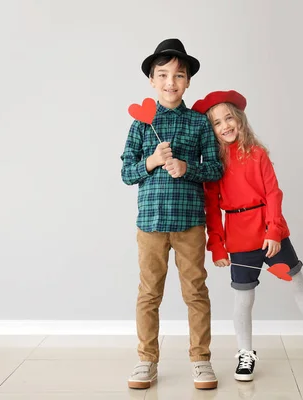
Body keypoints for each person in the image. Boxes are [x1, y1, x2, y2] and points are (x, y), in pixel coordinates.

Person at [192, 90, 303, 382]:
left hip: (270, 233)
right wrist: (217, 246)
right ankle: (245, 354)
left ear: (240, 120)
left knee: (298, 283)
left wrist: (273, 231)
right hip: (239, 237)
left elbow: (273, 193)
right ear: (210, 131)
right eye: (216, 123)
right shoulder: (213, 167)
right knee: (243, 300)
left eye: (228, 118)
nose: (224, 126)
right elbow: (211, 208)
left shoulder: (257, 154)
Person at [121, 39, 223, 390]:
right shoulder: (141, 125)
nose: (170, 82)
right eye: (162, 75)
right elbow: (126, 172)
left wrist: (186, 166)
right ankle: (146, 360)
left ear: (188, 81)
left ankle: (201, 359)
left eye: (178, 76)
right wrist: (152, 161)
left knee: (195, 290)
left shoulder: (198, 123)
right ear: (151, 80)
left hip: (189, 224)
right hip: (150, 225)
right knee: (149, 293)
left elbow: (214, 169)